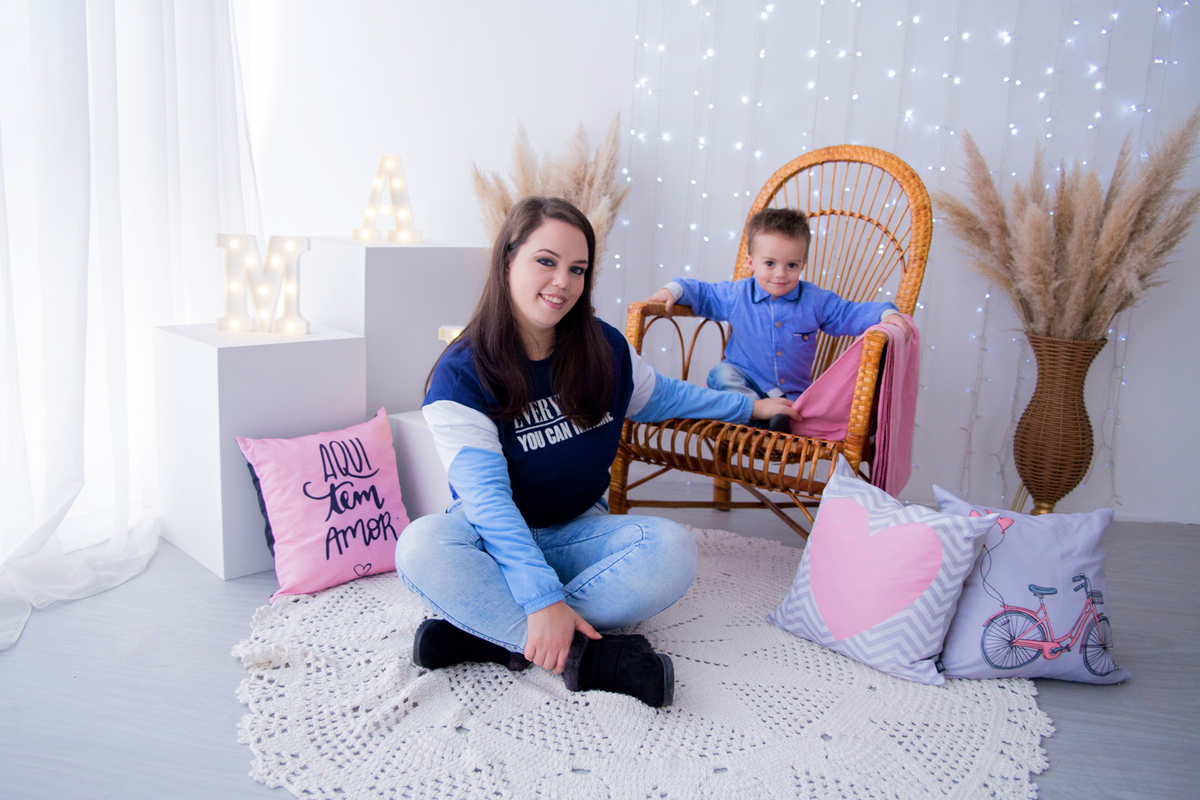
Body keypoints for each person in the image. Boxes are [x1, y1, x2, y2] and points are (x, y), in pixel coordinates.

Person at [394, 197, 797, 707]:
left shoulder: (604, 348)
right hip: (489, 536)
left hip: (576, 530)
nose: (562, 281)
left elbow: (668, 397)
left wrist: (749, 407)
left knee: (671, 550)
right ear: (507, 261)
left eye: (577, 269)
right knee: (421, 546)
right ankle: (589, 656)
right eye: (546, 261)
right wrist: (541, 596)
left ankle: (484, 632)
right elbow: (489, 503)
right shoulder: (460, 374)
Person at [644, 207, 912, 432]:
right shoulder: (738, 294)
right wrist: (674, 290)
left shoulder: (815, 301)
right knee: (721, 374)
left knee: (823, 403)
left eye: (792, 265)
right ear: (752, 262)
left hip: (791, 396)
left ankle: (776, 419)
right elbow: (703, 293)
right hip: (744, 382)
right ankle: (757, 417)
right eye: (770, 263)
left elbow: (848, 313)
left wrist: (885, 314)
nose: (781, 274)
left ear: (803, 264)